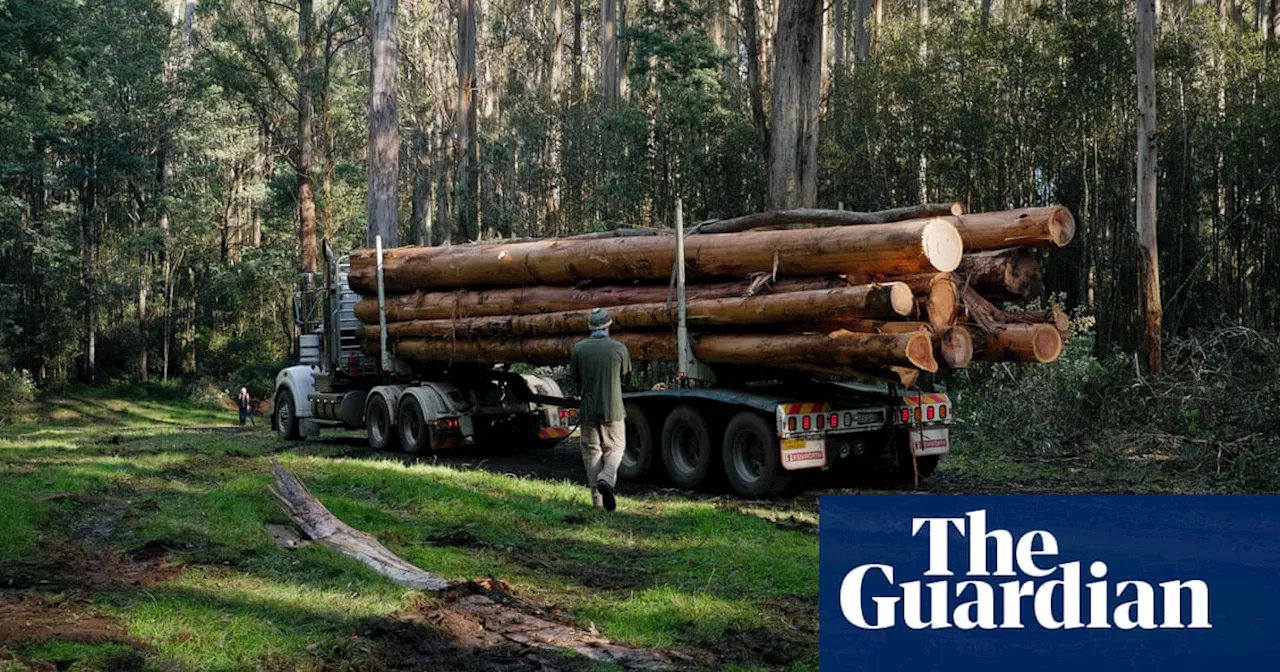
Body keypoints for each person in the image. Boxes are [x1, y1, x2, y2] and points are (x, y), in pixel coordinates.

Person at [569, 308, 631, 511]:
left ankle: (597, 502)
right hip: (613, 409)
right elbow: (626, 377)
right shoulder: (619, 348)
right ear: (608, 325)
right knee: (615, 448)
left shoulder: (579, 349)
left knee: (592, 453)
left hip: (587, 409)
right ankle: (607, 477)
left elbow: (575, 379)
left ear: (590, 327)